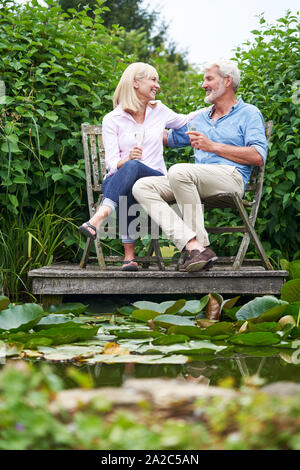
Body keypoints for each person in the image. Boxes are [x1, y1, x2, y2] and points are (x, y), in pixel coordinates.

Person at [132, 59, 268, 272]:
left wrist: (212, 146)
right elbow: (168, 138)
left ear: (228, 81)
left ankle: (200, 248)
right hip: (194, 180)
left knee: (179, 171)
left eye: (209, 79)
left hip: (231, 178)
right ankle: (193, 245)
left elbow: (258, 156)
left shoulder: (249, 113)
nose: (203, 85)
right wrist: (138, 115)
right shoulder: (201, 117)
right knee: (142, 186)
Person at [78, 62, 203, 271]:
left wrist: (213, 107)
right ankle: (129, 259)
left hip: (155, 178)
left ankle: (100, 217)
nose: (158, 86)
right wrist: (126, 159)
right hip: (123, 176)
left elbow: (185, 120)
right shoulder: (112, 119)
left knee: (134, 169)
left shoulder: (159, 111)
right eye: (153, 80)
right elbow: (111, 163)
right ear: (136, 83)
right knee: (131, 174)